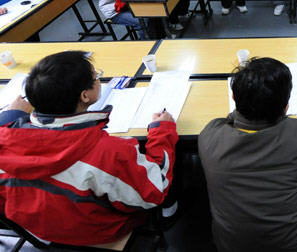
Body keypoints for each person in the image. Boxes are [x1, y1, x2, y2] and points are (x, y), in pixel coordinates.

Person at [0, 51, 178, 246]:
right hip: (99, 230)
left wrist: (11, 115)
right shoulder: (106, 152)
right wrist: (162, 131)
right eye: (96, 76)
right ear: (85, 96)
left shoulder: (5, 137)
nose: (98, 79)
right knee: (169, 170)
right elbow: (155, 189)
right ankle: (171, 214)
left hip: (42, 230)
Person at [198, 57, 297, 251]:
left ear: (234, 98)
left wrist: (245, 107)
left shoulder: (209, 138)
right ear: (286, 107)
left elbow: (226, 122)